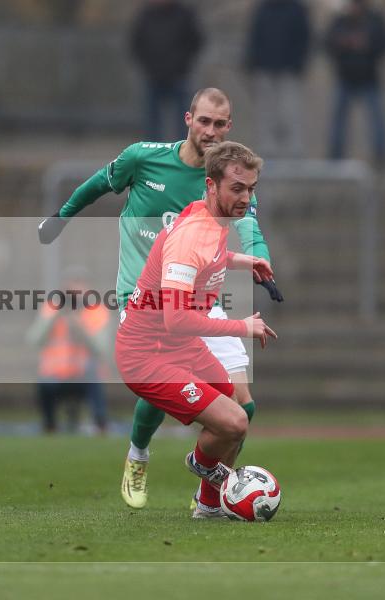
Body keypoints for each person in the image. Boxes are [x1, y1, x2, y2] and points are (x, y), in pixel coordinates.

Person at [38, 87, 283, 510]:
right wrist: (60, 218)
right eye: (203, 121)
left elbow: (251, 231)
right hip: (143, 294)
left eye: (219, 124)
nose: (210, 131)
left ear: (229, 128)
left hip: (203, 293)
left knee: (243, 405)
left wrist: (258, 264)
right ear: (188, 120)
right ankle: (138, 455)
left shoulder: (230, 178)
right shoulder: (144, 158)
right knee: (159, 379)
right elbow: (98, 184)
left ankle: (208, 499)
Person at [116, 141, 277, 519]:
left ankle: (207, 505)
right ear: (210, 185)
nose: (245, 197)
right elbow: (176, 319)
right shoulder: (192, 235)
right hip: (148, 355)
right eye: (237, 188)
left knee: (239, 410)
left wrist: (243, 261)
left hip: (177, 346)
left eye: (251, 189)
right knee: (233, 422)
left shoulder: (207, 217)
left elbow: (212, 256)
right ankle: (203, 465)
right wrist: (243, 325)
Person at [26, 275, 111, 435]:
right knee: (44, 382)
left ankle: (101, 424)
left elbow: (101, 349)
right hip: (56, 375)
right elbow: (34, 339)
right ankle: (49, 425)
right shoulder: (52, 308)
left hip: (83, 376)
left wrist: (79, 325)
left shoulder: (96, 311)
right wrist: (56, 316)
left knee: (94, 375)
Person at [325, 0, 385, 165]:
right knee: (338, 120)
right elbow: (327, 43)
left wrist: (366, 44)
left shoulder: (375, 20)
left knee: (376, 120)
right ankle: (335, 156)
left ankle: (381, 156)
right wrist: (343, 43)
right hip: (345, 78)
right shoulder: (339, 21)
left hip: (369, 78)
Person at [129, 0, 204, 141]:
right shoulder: (145, 16)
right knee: (152, 124)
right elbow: (135, 44)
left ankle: (183, 155)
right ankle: (154, 157)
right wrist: (148, 66)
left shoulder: (185, 14)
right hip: (153, 77)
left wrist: (183, 64)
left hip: (179, 77)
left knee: (184, 122)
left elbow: (196, 42)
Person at [244, 0, 311, 158]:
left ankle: (294, 149)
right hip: (265, 69)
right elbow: (254, 37)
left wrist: (299, 63)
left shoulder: (297, 9)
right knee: (266, 112)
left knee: (290, 111)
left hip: (289, 70)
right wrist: (251, 62)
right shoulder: (262, 9)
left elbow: (305, 37)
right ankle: (267, 149)